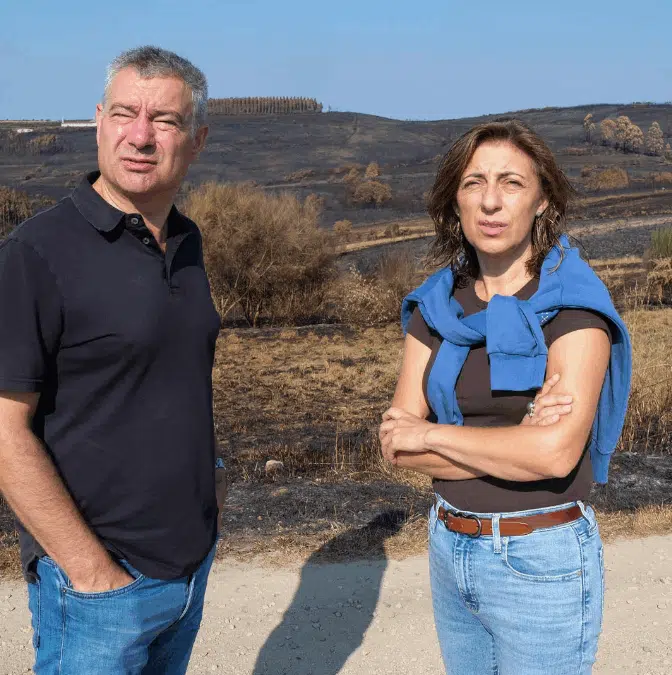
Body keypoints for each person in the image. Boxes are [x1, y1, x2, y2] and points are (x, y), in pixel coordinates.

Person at [0, 46, 227, 674]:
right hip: (100, 588)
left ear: (197, 140)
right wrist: (92, 573)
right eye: (125, 113)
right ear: (99, 120)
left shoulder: (187, 241)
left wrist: (211, 479)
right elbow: (4, 430)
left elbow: (176, 376)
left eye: (165, 120)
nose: (141, 136)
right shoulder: (37, 252)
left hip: (188, 567)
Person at [379, 120, 631, 674]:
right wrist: (516, 442)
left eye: (511, 183)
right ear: (455, 200)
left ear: (543, 201)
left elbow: (555, 455)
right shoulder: (437, 306)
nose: (490, 201)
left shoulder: (574, 307)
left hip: (541, 555)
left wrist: (431, 433)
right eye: (474, 183)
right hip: (449, 545)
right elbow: (396, 445)